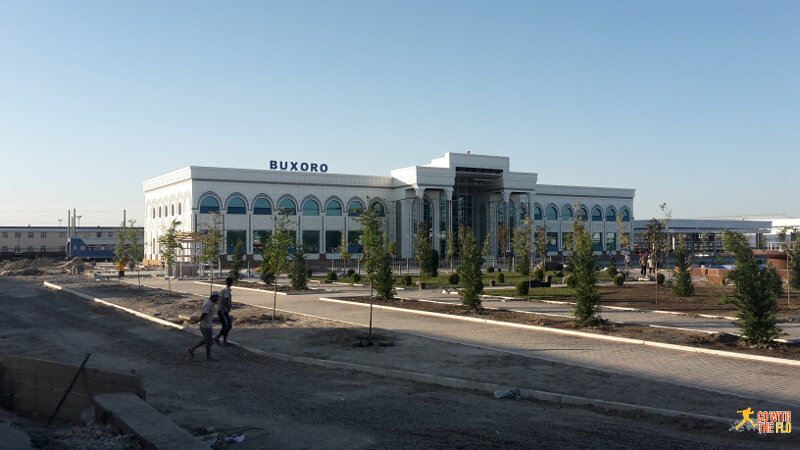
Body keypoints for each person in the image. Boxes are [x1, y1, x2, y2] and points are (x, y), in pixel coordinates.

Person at [188, 291, 220, 361]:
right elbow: (204, 314)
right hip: (206, 325)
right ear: (213, 297)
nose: (218, 299)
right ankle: (208, 357)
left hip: (206, 324)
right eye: (217, 298)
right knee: (209, 342)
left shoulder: (209, 303)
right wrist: (199, 321)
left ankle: (192, 349)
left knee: (207, 339)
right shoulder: (208, 304)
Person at [214, 277, 233, 346]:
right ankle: (217, 337)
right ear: (231, 283)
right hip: (223, 311)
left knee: (225, 326)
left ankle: (225, 342)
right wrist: (228, 307)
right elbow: (226, 300)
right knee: (228, 326)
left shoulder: (223, 288)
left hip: (221, 310)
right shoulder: (227, 290)